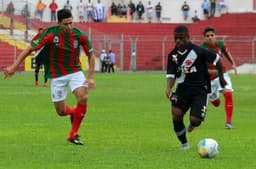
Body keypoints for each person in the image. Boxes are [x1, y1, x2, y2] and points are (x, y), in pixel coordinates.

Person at [4, 9, 96, 145]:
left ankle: (73, 133)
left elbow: (91, 55)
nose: (69, 27)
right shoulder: (50, 34)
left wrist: (90, 77)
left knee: (83, 96)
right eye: (66, 24)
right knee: (61, 111)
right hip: (57, 75)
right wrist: (14, 66)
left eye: (71, 23)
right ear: (59, 23)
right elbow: (30, 49)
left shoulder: (79, 35)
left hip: (75, 71)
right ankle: (73, 112)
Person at [165, 25, 226, 150]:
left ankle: (192, 124)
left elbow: (218, 61)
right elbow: (171, 74)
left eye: (181, 38)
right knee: (176, 115)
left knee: (195, 120)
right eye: (175, 38)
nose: (178, 41)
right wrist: (169, 88)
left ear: (188, 37)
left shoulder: (198, 51)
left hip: (200, 90)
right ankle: (184, 144)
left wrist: (221, 78)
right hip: (182, 90)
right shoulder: (172, 55)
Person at [201, 27, 237, 129]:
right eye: (207, 36)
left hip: (222, 75)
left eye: (212, 35)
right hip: (209, 79)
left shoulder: (220, 44)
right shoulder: (201, 49)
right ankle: (214, 98)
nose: (210, 37)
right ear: (204, 38)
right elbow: (200, 67)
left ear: (215, 36)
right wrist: (210, 71)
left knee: (228, 93)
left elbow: (226, 54)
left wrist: (233, 64)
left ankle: (229, 122)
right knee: (216, 103)